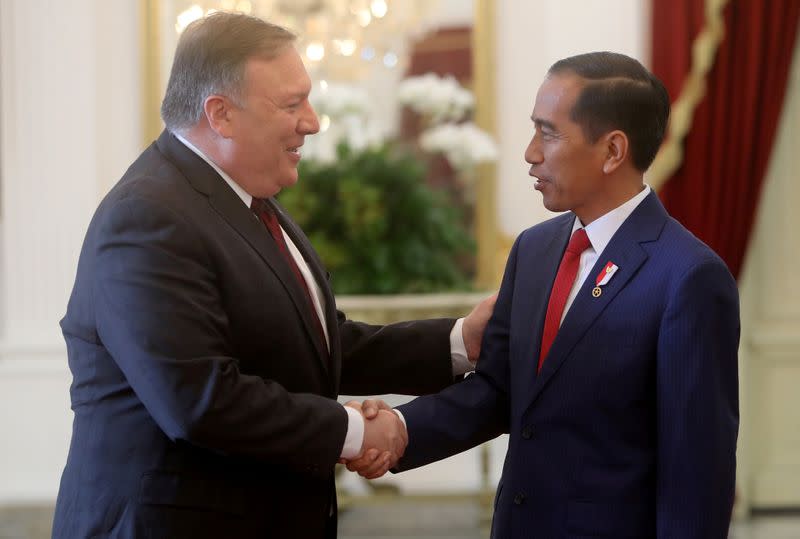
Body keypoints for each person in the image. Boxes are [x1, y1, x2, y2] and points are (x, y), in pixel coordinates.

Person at [52, 12, 495, 539]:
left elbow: (317, 346)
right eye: (291, 104)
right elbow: (200, 401)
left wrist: (460, 342)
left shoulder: (246, 198)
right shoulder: (147, 216)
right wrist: (356, 432)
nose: (312, 121)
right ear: (221, 114)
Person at [349, 51, 740, 538]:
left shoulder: (689, 277)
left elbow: (697, 469)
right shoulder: (534, 250)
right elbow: (499, 390)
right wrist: (399, 430)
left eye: (548, 132)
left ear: (613, 150)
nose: (531, 152)